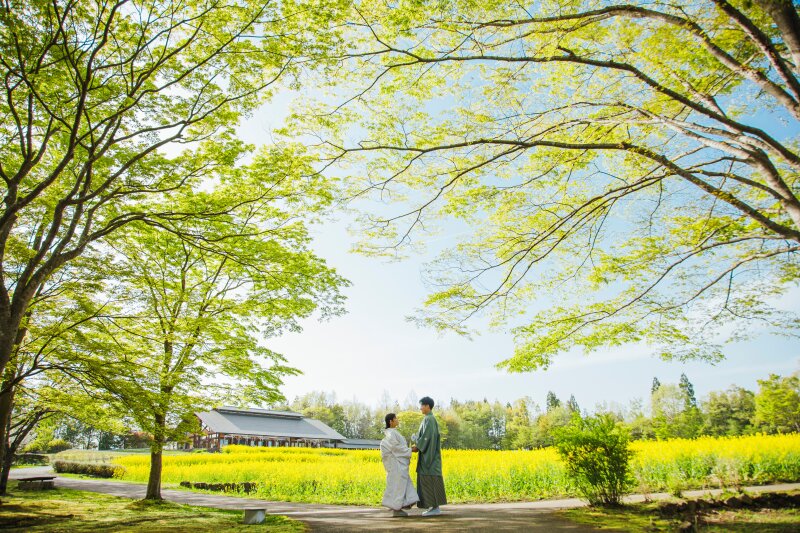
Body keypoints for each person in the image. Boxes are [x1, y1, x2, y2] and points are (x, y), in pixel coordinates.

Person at [412, 396, 447, 516]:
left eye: (421, 405)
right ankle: (433, 507)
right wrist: (418, 441)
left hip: (430, 459)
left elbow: (427, 437)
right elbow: (424, 437)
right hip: (428, 457)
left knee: (430, 480)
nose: (420, 408)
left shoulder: (429, 419)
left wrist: (418, 446)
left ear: (427, 406)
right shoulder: (428, 419)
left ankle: (435, 508)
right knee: (427, 481)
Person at [380, 412, 419, 517]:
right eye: (395, 418)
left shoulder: (392, 432)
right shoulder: (391, 434)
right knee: (398, 486)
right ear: (391, 421)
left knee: (401, 485)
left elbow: (398, 447)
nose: (397, 420)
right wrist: (410, 450)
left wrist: (408, 449)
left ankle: (399, 508)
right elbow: (395, 448)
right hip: (396, 465)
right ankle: (396, 510)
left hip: (398, 465)